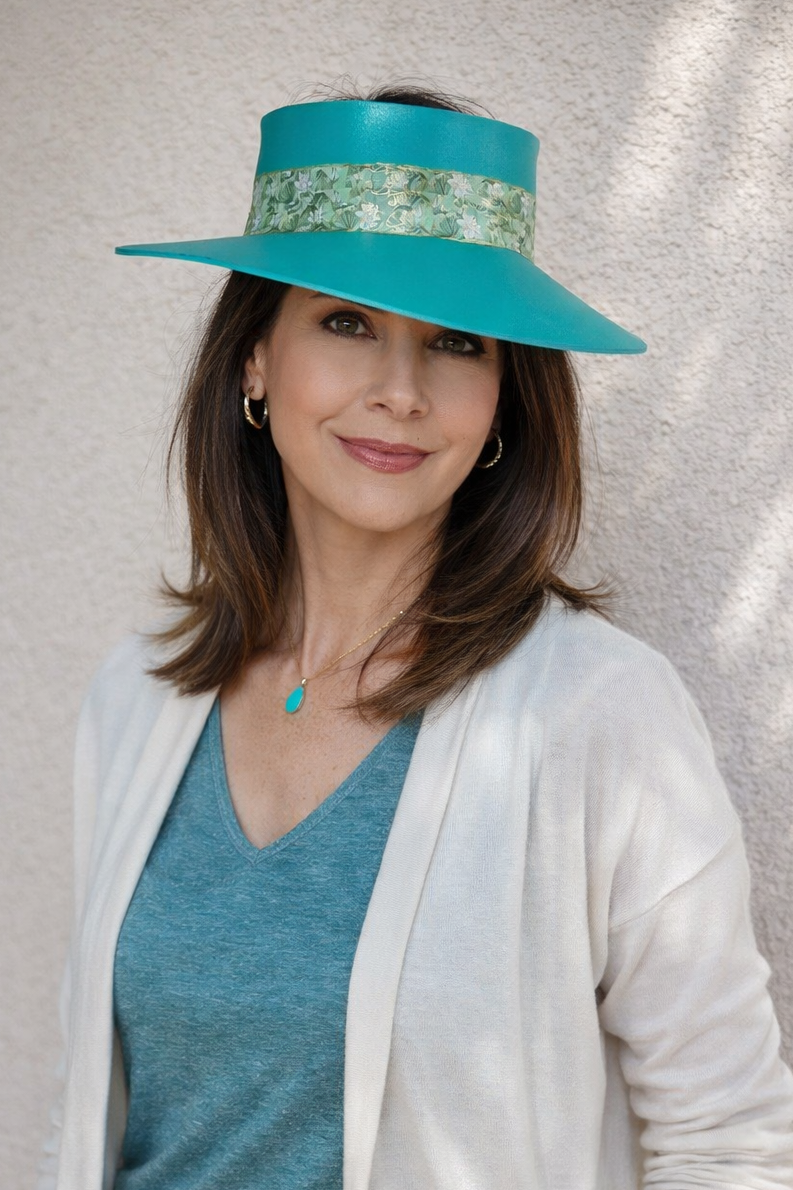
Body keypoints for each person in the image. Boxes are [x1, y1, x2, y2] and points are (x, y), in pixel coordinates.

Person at [38, 84, 793, 1190]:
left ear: (504, 401)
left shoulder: (599, 713)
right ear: (255, 358)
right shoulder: (136, 698)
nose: (398, 390)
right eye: (346, 320)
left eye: (455, 342)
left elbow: (728, 1141)